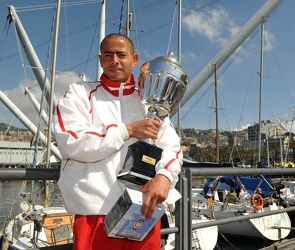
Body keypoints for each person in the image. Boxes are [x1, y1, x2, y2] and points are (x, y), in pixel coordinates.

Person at [53, 33, 183, 250]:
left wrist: (164, 176)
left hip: (143, 211)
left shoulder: (149, 99)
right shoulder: (79, 93)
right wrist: (127, 130)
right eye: (108, 54)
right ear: (100, 59)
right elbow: (71, 141)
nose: (114, 60)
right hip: (94, 213)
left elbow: (171, 146)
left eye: (121, 54)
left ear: (134, 59)